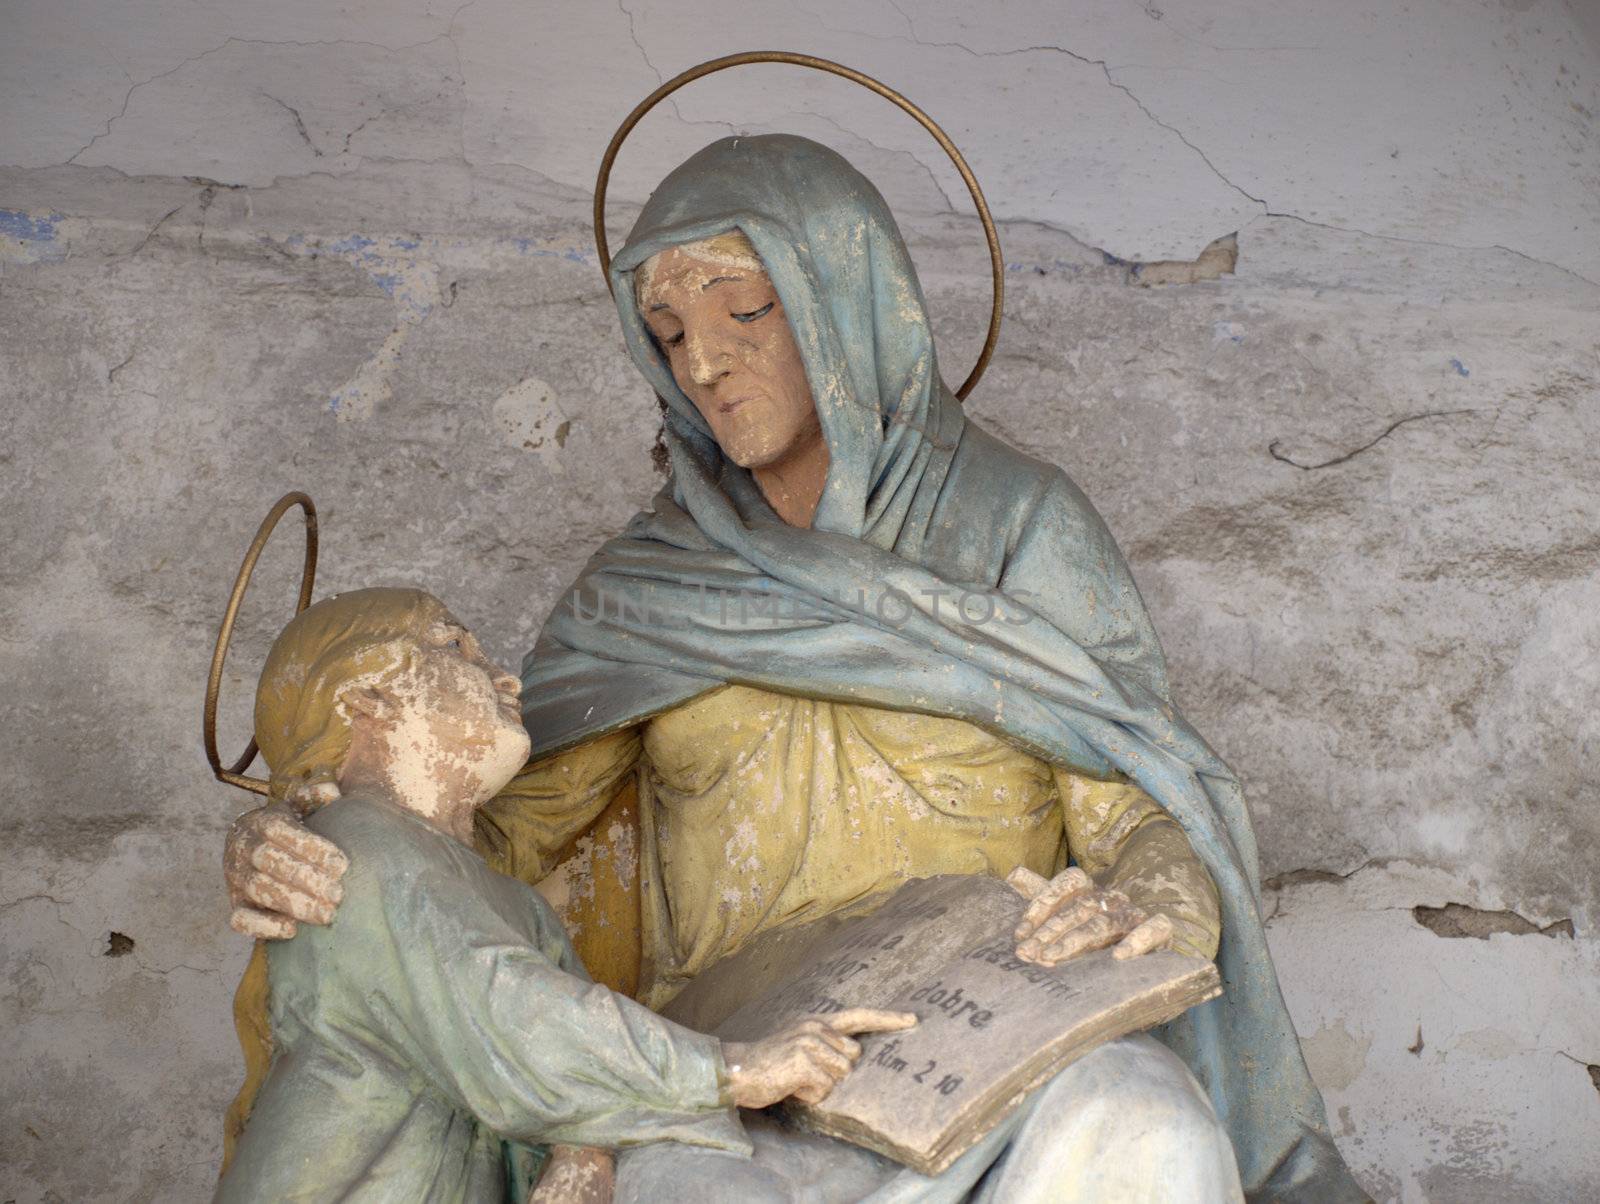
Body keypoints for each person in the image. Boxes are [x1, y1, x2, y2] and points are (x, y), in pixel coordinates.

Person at [226, 135, 1366, 1201]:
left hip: (1000, 1040)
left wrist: (1140, 905)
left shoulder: (1020, 530)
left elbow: (1147, 803)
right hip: (746, 1071)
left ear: (844, 303)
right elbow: (480, 840)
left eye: (745, 310)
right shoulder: (645, 586)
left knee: (1148, 1130)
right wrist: (313, 827)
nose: (704, 362)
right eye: (668, 334)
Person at [216, 586, 914, 1202]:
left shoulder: (508, 901)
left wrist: (585, 1152)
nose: (506, 677)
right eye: (455, 646)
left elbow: (564, 1071)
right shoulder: (355, 846)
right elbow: (511, 1015)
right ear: (362, 698)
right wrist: (734, 1071)